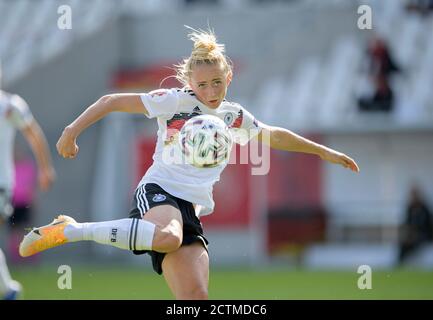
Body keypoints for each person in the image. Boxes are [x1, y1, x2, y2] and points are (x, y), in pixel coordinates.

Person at [19, 27, 360, 300]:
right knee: (167, 237)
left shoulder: (233, 116)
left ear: (228, 79)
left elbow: (274, 135)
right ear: (190, 83)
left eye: (216, 82)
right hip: (159, 190)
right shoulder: (174, 102)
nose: (210, 90)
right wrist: (70, 131)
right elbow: (111, 101)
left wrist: (324, 152)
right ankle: (70, 230)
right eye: (202, 84)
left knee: (196, 297)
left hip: (191, 209)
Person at [0, 64, 56, 299]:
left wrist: (45, 168)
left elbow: (33, 133)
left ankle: (8, 289)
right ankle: (8, 289)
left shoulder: (10, 106)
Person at [398, 186, 433, 264]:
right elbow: (407, 223)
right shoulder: (410, 208)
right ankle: (400, 263)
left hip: (425, 235)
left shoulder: (424, 208)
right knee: (403, 245)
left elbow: (428, 226)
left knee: (412, 243)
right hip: (413, 236)